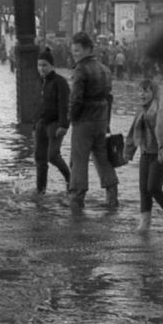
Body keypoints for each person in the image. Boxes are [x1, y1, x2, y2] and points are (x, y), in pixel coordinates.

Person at [67, 31, 119, 212]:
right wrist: (107, 122)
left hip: (84, 120)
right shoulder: (105, 69)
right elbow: (109, 97)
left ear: (88, 49)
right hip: (101, 119)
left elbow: (76, 99)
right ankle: (112, 196)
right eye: (73, 51)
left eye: (78, 51)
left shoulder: (81, 69)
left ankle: (76, 199)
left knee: (79, 160)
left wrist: (71, 118)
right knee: (103, 158)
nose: (75, 54)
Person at [126, 78, 163, 232]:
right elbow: (132, 132)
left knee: (153, 187)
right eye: (140, 91)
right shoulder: (140, 109)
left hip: (160, 154)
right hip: (145, 153)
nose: (142, 94)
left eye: (146, 91)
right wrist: (128, 152)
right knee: (144, 190)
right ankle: (145, 223)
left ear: (154, 93)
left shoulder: (160, 110)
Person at [34, 47, 71, 195]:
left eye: (44, 65)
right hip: (41, 123)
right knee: (39, 158)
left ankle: (69, 178)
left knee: (53, 156)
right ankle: (40, 190)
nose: (41, 68)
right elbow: (38, 105)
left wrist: (63, 125)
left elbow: (64, 104)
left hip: (55, 124)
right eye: (39, 65)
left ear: (52, 66)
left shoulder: (60, 82)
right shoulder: (41, 82)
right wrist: (34, 124)